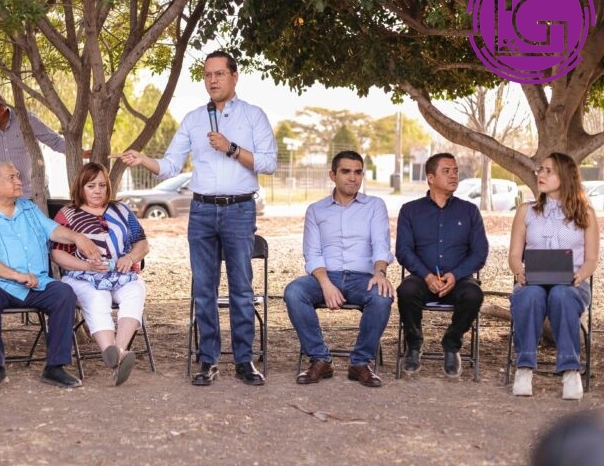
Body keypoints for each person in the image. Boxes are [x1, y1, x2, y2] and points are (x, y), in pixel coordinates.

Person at [117, 50, 277, 386]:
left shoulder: (253, 116)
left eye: (219, 74)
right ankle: (208, 360)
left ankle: (245, 360)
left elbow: (268, 163)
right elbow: (171, 165)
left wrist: (231, 148)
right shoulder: (193, 118)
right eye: (207, 75)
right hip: (202, 210)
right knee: (204, 289)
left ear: (235, 76)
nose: (213, 80)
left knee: (241, 289)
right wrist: (143, 159)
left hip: (239, 209)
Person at [0, 159, 99, 392]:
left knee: (63, 293)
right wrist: (15, 275)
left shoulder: (29, 208)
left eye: (17, 176)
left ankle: (55, 366)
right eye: (11, 177)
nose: (18, 181)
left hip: (35, 283)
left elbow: (53, 231)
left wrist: (77, 237)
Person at [284, 151, 394, 387]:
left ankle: (360, 363)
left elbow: (381, 245)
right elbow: (312, 253)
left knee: (383, 296)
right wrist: (326, 285)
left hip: (364, 277)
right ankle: (320, 359)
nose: (353, 178)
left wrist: (380, 273)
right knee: (294, 291)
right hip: (326, 274)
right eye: (346, 171)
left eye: (358, 172)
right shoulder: (316, 210)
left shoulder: (375, 205)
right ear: (333, 175)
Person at [508, 152, 599, 400]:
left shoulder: (586, 214)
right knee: (530, 296)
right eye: (541, 170)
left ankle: (570, 371)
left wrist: (580, 275)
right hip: (533, 280)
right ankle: (524, 368)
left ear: (565, 176)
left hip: (571, 283)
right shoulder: (526, 211)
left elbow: (591, 259)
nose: (542, 175)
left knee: (561, 295)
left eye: (549, 171)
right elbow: (515, 254)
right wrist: (519, 271)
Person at [51, 162, 149, 387]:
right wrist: (86, 267)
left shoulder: (122, 211)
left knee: (135, 291)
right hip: (82, 275)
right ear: (81, 188)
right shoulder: (68, 215)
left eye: (102, 185)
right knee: (98, 298)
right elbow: (57, 254)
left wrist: (130, 258)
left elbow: (142, 243)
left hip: (121, 273)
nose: (98, 191)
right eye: (91, 185)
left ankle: (119, 351)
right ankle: (114, 357)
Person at [395, 152, 488, 378]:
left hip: (458, 280)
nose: (454, 175)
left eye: (455, 171)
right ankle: (414, 344)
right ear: (430, 177)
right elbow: (403, 251)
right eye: (446, 171)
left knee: (474, 294)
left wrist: (455, 275)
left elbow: (480, 253)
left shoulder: (469, 211)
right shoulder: (410, 210)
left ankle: (452, 343)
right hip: (422, 278)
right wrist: (427, 276)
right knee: (405, 290)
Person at [0, 91, 68, 199]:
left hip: (35, 193)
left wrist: (79, 152)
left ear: (1, 110)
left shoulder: (27, 119)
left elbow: (54, 140)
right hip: (5, 196)